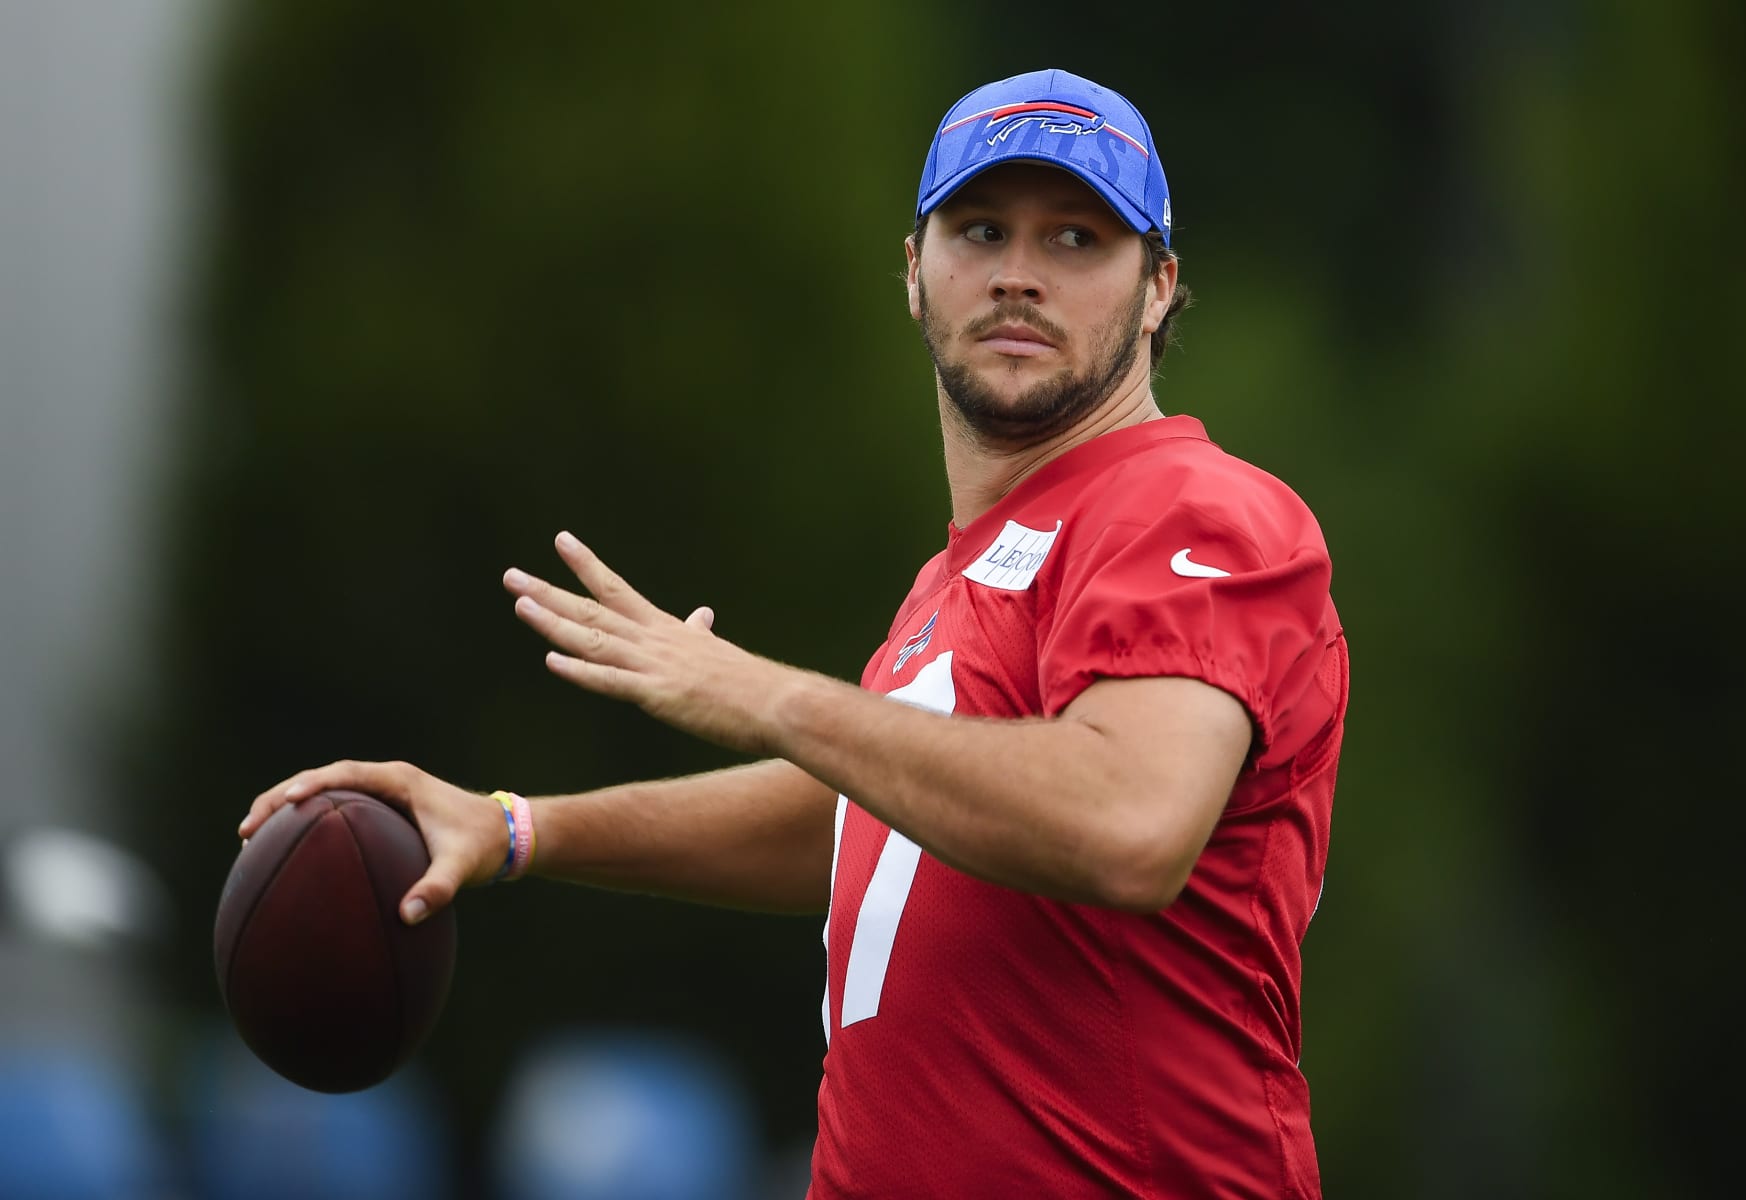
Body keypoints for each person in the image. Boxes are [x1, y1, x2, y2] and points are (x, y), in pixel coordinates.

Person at [240, 68, 1348, 1199]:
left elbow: (1127, 821)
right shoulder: (956, 581)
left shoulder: (1193, 508)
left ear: (1160, 285)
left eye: (1075, 237)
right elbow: (875, 823)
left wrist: (766, 695)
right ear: (915, 273)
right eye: (980, 229)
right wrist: (522, 829)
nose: (1019, 273)